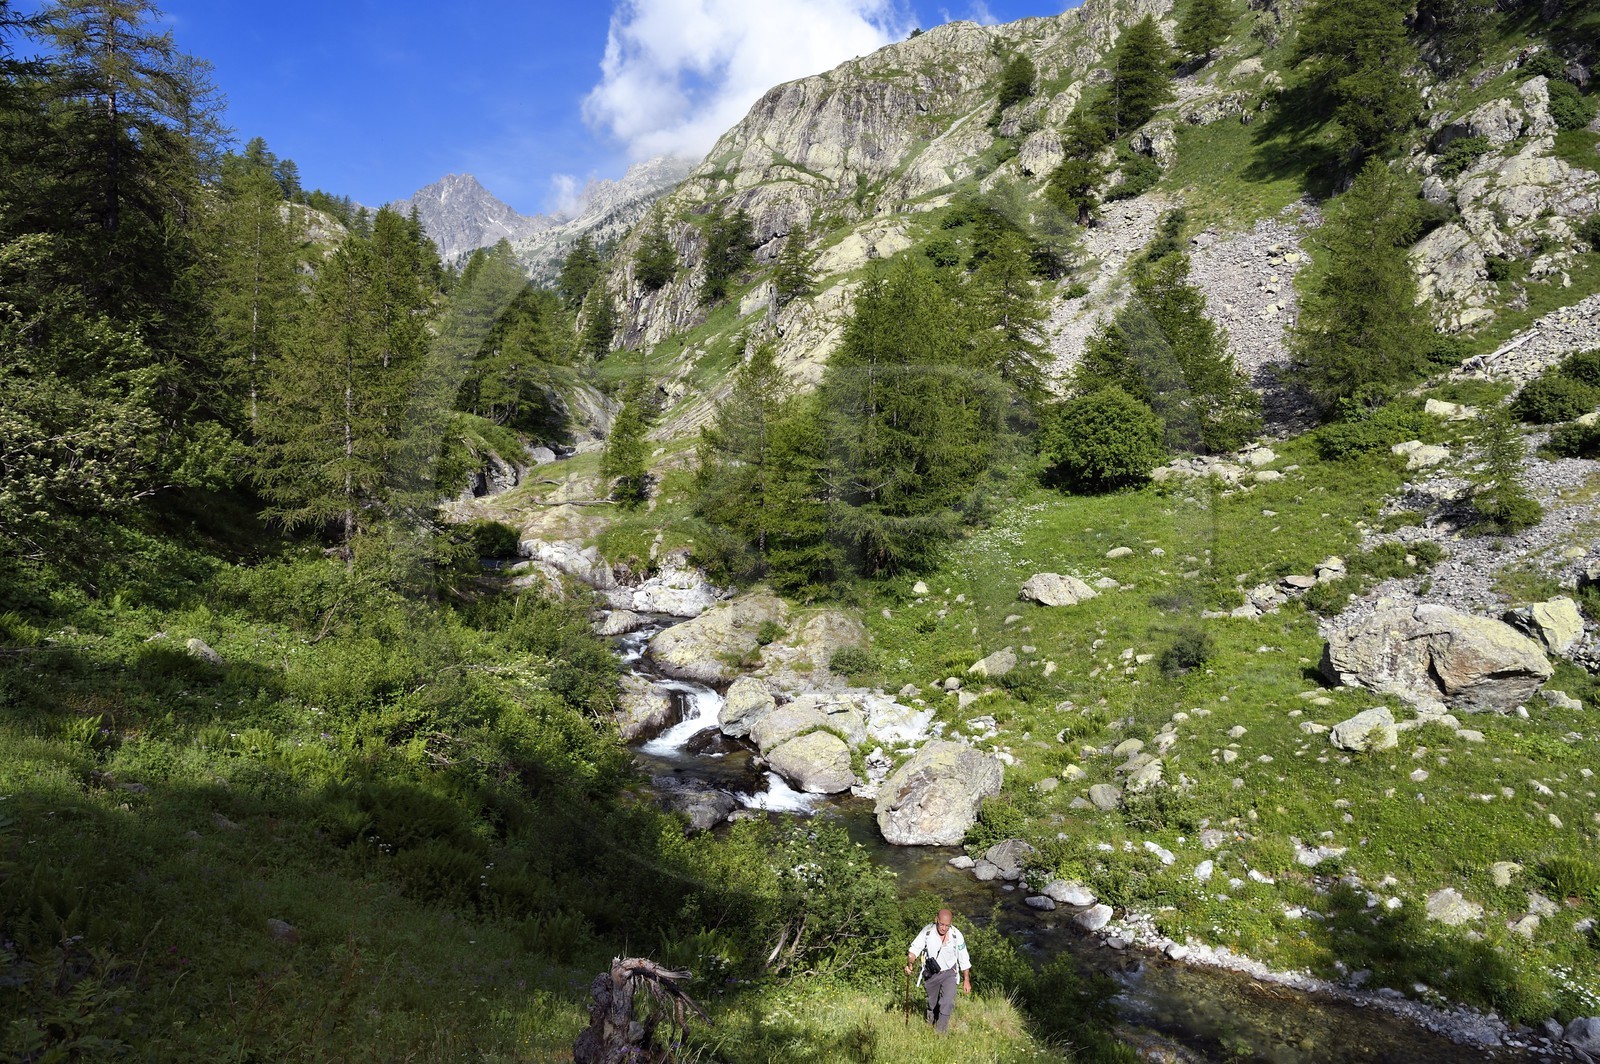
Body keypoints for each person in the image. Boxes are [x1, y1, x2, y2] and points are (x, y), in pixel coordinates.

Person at [905, 908, 971, 1035]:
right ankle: (930, 1021)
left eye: (947, 925)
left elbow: (964, 958)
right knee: (932, 1003)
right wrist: (910, 963)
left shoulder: (956, 935)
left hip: (949, 973)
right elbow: (914, 950)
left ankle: (940, 1032)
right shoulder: (927, 932)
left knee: (947, 1002)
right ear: (937, 920)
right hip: (932, 973)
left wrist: (966, 980)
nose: (944, 928)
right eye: (942, 924)